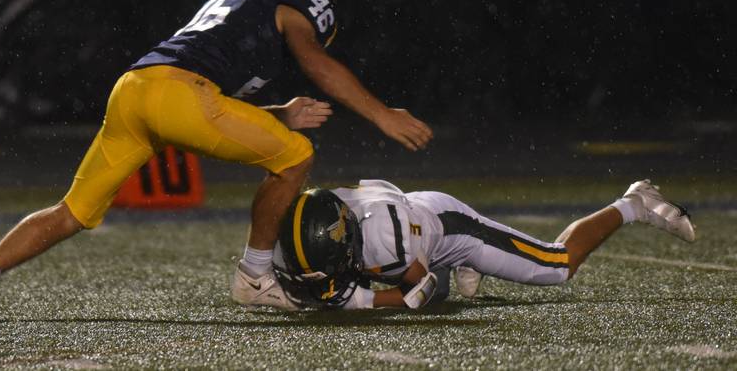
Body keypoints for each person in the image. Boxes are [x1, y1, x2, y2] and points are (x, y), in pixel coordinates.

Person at [0, 0, 433, 320]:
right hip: (180, 95)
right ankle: (255, 277)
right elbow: (314, 61)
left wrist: (276, 113)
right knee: (295, 157)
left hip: (135, 88)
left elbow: (203, 90)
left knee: (72, 211)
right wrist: (381, 113)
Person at [271, 179, 694, 310]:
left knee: (555, 265)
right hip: (412, 215)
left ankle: (634, 203)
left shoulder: (386, 244)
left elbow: (419, 292)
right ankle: (459, 264)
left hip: (450, 229)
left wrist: (360, 301)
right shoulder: (315, 210)